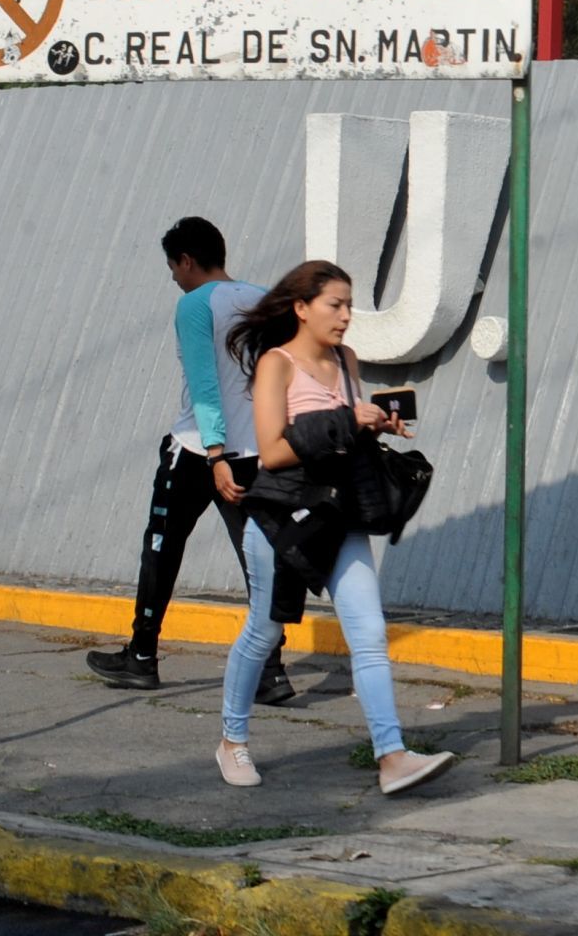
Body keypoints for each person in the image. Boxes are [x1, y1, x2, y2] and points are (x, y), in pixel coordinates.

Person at [218, 259, 453, 794]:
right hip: (284, 520)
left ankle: (392, 758)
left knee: (368, 635)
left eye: (349, 305)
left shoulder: (347, 362)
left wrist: (374, 424)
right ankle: (232, 742)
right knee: (265, 630)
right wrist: (348, 420)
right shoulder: (276, 365)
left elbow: (341, 439)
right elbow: (274, 452)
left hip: (339, 515)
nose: (347, 317)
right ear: (301, 308)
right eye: (336, 305)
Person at [86, 218, 293, 704]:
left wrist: (216, 453)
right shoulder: (266, 300)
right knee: (260, 561)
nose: (174, 278)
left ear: (186, 260)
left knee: (162, 546)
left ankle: (141, 656)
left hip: (200, 451)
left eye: (173, 267)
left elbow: (204, 385)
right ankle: (271, 670)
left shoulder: (195, 305)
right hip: (258, 452)